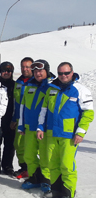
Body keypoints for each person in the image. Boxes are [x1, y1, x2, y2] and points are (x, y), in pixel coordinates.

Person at [37, 62, 93, 198]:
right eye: (61, 73)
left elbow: (88, 113)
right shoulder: (51, 89)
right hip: (51, 133)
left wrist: (80, 131)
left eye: (66, 73)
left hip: (69, 135)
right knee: (53, 164)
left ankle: (68, 192)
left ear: (72, 73)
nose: (63, 76)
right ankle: (57, 191)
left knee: (67, 165)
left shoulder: (80, 90)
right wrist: (40, 127)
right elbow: (44, 110)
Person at [18, 60, 53, 194]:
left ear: (46, 71)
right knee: (29, 155)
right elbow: (22, 106)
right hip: (29, 126)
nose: (38, 73)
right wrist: (21, 124)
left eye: (41, 71)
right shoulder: (29, 85)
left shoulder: (51, 86)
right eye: (36, 71)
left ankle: (46, 179)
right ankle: (34, 177)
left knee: (45, 156)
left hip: (44, 128)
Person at [11, 57, 34, 179]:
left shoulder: (36, 82)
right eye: (23, 67)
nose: (25, 69)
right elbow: (17, 103)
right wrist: (15, 118)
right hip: (20, 119)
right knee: (18, 144)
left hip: (32, 119)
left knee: (31, 146)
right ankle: (24, 168)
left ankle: (34, 170)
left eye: (27, 67)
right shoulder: (19, 82)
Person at [0, 61, 16, 177]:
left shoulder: (15, 85)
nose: (6, 72)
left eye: (8, 71)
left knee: (9, 145)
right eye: (3, 70)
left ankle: (7, 166)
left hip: (11, 120)